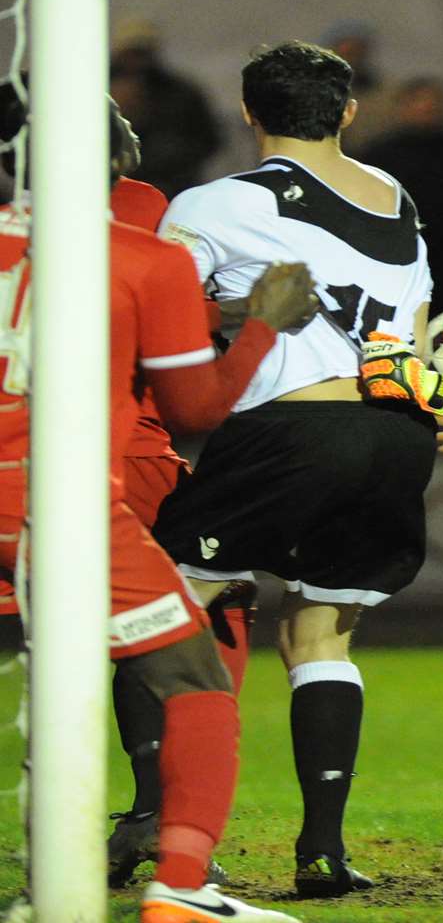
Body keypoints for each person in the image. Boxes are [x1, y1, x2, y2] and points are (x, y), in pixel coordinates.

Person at [0, 89, 317, 923]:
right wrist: (261, 328)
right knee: (194, 672)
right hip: (62, 504)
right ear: (113, 157)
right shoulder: (143, 247)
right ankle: (178, 882)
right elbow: (195, 411)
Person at [152, 41, 438, 898]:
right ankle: (322, 854)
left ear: (249, 113)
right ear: (348, 112)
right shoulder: (396, 197)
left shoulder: (212, 203)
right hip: (397, 431)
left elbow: (161, 309)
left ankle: (151, 822)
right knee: (319, 635)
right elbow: (416, 333)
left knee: (164, 605)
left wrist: (243, 309)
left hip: (292, 427)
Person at [362, 77, 443, 308]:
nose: (426, 111)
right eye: (419, 104)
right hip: (393, 262)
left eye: (434, 106)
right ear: (403, 108)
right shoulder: (377, 157)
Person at [108, 17, 223, 199]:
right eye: (131, 52)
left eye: (141, 52)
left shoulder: (180, 93)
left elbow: (208, 138)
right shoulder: (97, 92)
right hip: (114, 188)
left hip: (169, 187)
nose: (136, 61)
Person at [323, 20, 397, 151]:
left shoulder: (386, 95)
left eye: (354, 53)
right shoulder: (316, 92)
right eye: (344, 53)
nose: (349, 60)